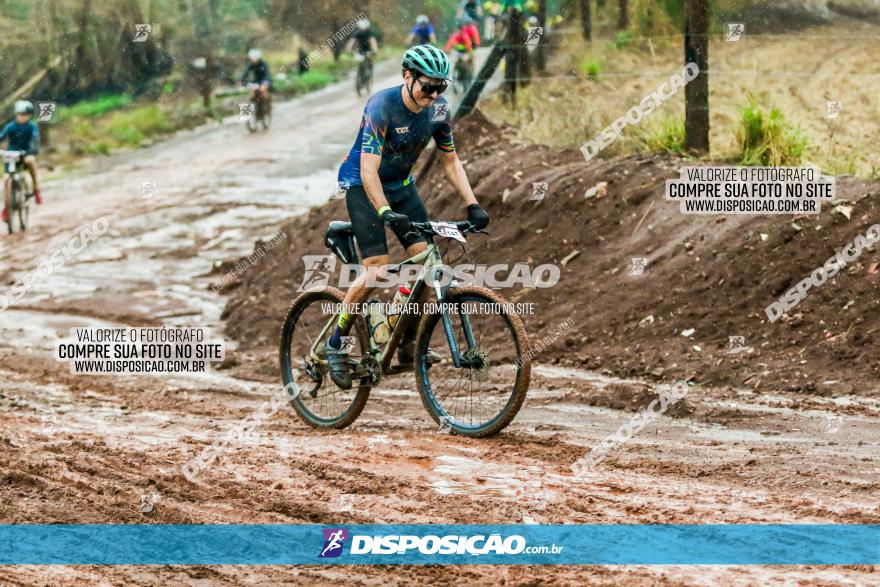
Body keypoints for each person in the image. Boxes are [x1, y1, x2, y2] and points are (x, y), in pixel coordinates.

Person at [327, 45, 490, 389]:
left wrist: (472, 204)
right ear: (407, 76)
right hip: (361, 182)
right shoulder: (382, 106)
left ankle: (406, 344)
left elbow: (450, 161)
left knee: (425, 263)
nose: (433, 94)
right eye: (426, 86)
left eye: (439, 87)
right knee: (376, 269)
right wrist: (385, 212)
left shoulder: (438, 111)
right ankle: (335, 345)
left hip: (401, 185)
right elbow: (369, 170)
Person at [0, 100, 41, 222]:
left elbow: (35, 139)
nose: (21, 117)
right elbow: (2, 137)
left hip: (26, 153)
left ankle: (36, 189)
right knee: (7, 178)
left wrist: (32, 151)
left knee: (31, 162)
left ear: (28, 115)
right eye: (19, 114)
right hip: (11, 154)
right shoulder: (10, 127)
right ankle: (7, 206)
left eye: (24, 114)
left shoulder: (32, 126)